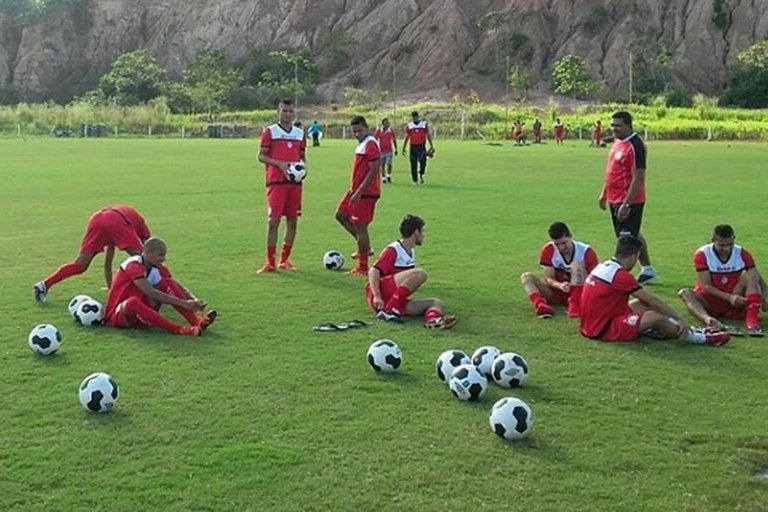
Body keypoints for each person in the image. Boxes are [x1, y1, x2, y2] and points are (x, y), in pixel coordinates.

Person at [580, 235, 730, 346]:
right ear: (633, 257)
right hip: (603, 329)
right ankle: (699, 337)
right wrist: (680, 318)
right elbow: (652, 301)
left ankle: (688, 330)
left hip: (593, 322)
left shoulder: (604, 266)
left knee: (641, 305)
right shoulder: (620, 276)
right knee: (656, 317)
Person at [33, 204, 151, 302]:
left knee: (80, 264)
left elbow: (107, 264)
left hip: (97, 219)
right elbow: (149, 255)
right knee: (143, 259)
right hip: (116, 219)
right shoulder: (142, 229)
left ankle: (44, 285)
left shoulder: (129, 221)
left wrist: (111, 290)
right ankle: (150, 292)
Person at [104, 237, 217, 336]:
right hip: (119, 315)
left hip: (142, 312)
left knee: (167, 283)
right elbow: (150, 292)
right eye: (160, 255)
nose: (163, 259)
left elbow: (177, 286)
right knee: (132, 302)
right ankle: (178, 329)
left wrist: (194, 300)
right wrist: (184, 303)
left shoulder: (157, 267)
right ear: (148, 253)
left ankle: (196, 322)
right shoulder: (133, 265)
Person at [598, 111, 658, 284]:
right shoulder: (618, 142)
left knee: (625, 240)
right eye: (612, 125)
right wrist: (604, 193)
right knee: (633, 234)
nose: (614, 129)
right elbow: (613, 170)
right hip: (615, 197)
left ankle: (622, 279)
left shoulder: (636, 145)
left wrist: (627, 204)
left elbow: (638, 177)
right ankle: (647, 269)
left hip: (628, 199)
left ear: (629, 126)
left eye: (618, 125)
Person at [368, 215, 457, 329]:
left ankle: (433, 320)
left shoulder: (411, 251)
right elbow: (373, 271)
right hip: (381, 295)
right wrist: (377, 296)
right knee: (420, 274)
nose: (424, 235)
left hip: (392, 299)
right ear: (416, 232)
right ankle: (389, 311)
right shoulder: (393, 249)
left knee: (436, 302)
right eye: (422, 231)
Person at [678, 224, 766, 337]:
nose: (726, 249)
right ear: (713, 240)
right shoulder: (703, 254)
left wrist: (766, 294)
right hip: (709, 301)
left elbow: (755, 275)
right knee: (685, 293)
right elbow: (706, 286)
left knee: (750, 274)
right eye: (722, 245)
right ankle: (709, 320)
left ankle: (752, 322)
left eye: (730, 244)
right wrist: (730, 298)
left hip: (734, 297)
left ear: (734, 239)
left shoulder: (742, 253)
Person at [257, 99, 307, 273]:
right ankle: (270, 262)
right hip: (276, 183)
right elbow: (261, 156)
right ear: (278, 112)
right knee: (274, 221)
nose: (287, 114)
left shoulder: (300, 133)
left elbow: (302, 156)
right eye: (284, 111)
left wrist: (303, 169)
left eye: (290, 111)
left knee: (292, 221)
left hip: (295, 184)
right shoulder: (270, 131)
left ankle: (285, 260)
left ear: (294, 113)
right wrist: (280, 164)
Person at [520, 221, 599, 319]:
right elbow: (549, 278)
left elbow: (595, 279)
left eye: (564, 243)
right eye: (557, 244)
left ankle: (575, 305)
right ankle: (541, 305)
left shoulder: (585, 251)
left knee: (577, 266)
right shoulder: (548, 250)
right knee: (526, 277)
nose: (561, 247)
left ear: (570, 236)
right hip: (557, 291)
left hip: (580, 293)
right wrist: (560, 285)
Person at [334, 115, 381, 276]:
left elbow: (374, 170)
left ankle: (363, 267)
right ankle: (365, 249)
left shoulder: (371, 144)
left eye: (359, 130)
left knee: (361, 227)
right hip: (355, 190)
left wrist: (360, 191)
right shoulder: (362, 144)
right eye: (354, 131)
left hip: (366, 193)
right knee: (341, 215)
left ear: (367, 128)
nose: (357, 134)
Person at [402, 111, 434, 185]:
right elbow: (407, 137)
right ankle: (415, 180)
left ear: (418, 117)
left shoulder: (423, 124)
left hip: (421, 146)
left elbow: (428, 135)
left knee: (423, 161)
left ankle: (421, 174)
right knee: (413, 163)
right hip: (413, 146)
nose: (415, 118)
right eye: (414, 117)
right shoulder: (410, 125)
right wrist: (404, 147)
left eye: (416, 117)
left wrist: (431, 145)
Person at [374, 118, 398, 184]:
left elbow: (394, 140)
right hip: (381, 151)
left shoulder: (390, 131)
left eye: (388, 123)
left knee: (389, 163)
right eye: (386, 123)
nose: (388, 124)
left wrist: (396, 148)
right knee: (382, 165)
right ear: (383, 124)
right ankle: (383, 178)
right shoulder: (379, 131)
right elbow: (375, 139)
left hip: (389, 150)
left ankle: (388, 175)